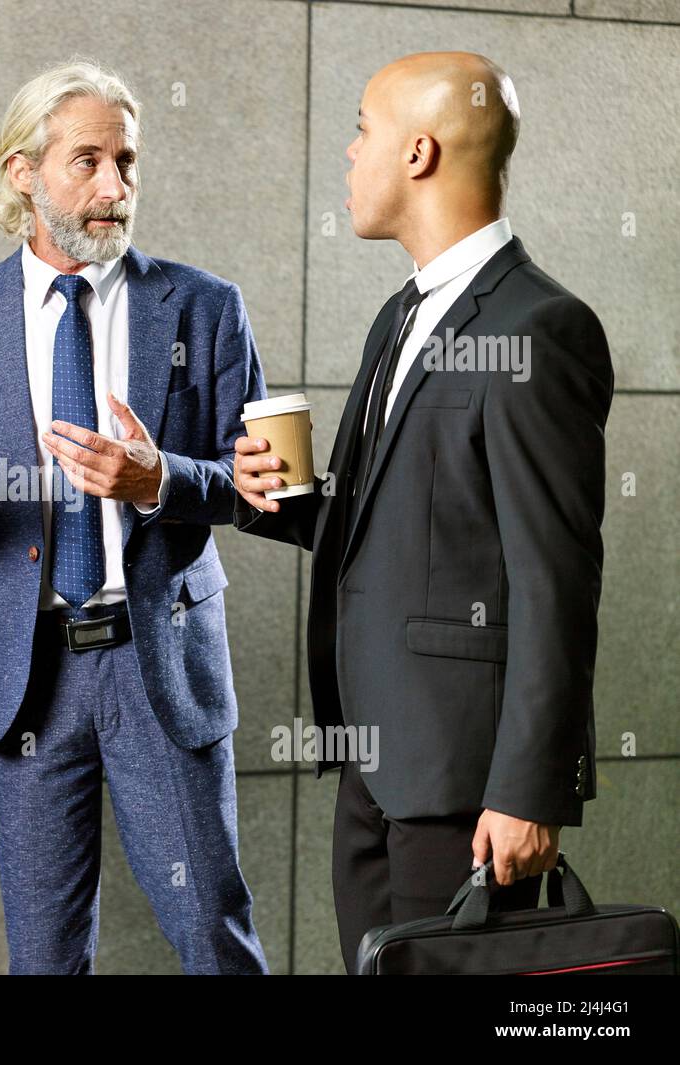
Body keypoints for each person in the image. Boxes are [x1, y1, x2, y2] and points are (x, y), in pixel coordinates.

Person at [0, 58, 269, 974]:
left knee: (214, 935)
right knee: (44, 957)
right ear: (24, 172)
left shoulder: (206, 307)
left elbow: (265, 489)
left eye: (127, 163)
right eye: (88, 162)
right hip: (23, 674)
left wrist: (160, 480)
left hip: (157, 664)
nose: (115, 187)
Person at [232, 52, 613, 973]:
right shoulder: (401, 317)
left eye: (362, 131)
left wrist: (531, 793)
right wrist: (276, 499)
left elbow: (555, 581)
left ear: (418, 153)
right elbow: (387, 529)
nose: (348, 154)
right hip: (371, 768)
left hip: (469, 792)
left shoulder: (538, 329)